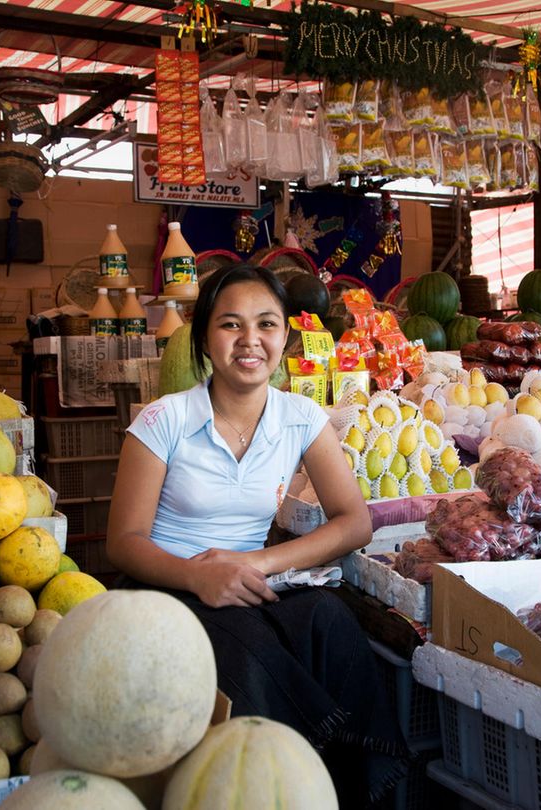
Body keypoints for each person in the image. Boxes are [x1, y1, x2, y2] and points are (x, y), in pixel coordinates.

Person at [107, 263, 409, 806]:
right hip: (165, 585)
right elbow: (123, 541)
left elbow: (354, 521)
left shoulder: (302, 417)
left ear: (286, 337)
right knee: (247, 651)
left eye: (266, 324)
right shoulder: (163, 420)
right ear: (203, 336)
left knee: (331, 622)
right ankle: (265, 790)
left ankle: (351, 789)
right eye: (230, 325)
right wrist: (199, 576)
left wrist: (255, 563)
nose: (250, 341)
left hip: (248, 579)